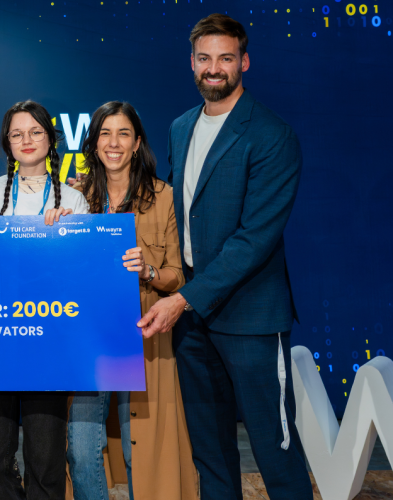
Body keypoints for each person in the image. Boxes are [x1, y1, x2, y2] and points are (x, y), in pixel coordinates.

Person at [137, 13, 312, 500]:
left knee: (275, 450)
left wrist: (182, 299)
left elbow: (254, 240)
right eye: (205, 58)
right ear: (192, 63)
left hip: (250, 317)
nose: (214, 68)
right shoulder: (181, 127)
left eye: (226, 58)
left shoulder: (272, 135)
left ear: (244, 62)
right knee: (210, 452)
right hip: (194, 324)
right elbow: (178, 213)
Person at [69, 101, 197, 500]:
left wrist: (148, 271)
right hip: (89, 339)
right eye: (105, 134)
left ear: (138, 142)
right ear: (94, 143)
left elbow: (178, 274)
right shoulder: (75, 197)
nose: (114, 143)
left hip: (143, 338)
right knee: (82, 449)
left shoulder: (164, 197)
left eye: (123, 133)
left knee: (138, 448)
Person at [0, 100, 89, 500]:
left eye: (36, 132)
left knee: (45, 455)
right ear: (6, 142)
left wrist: (68, 236)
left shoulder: (72, 199)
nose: (27, 140)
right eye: (17, 133)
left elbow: (81, 271)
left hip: (49, 338)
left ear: (50, 139)